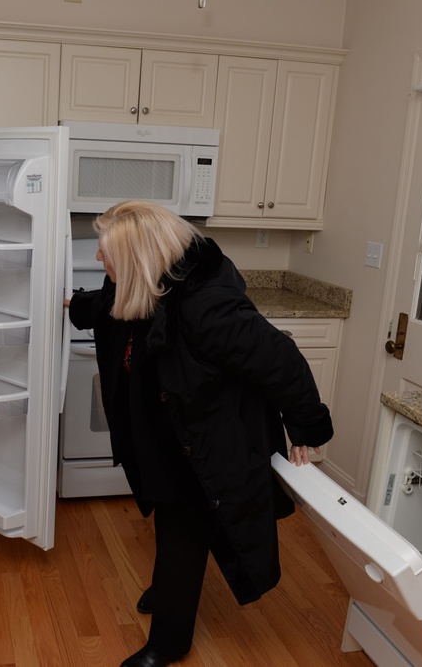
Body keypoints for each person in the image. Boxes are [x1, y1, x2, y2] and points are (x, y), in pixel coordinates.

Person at [65, 200, 333, 667]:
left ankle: (168, 642)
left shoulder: (208, 307)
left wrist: (305, 426)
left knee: (182, 530)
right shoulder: (149, 279)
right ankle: (171, 588)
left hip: (204, 439)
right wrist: (77, 304)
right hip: (167, 426)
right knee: (172, 523)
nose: (98, 260)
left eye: (105, 253)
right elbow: (110, 303)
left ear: (137, 260)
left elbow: (282, 362)